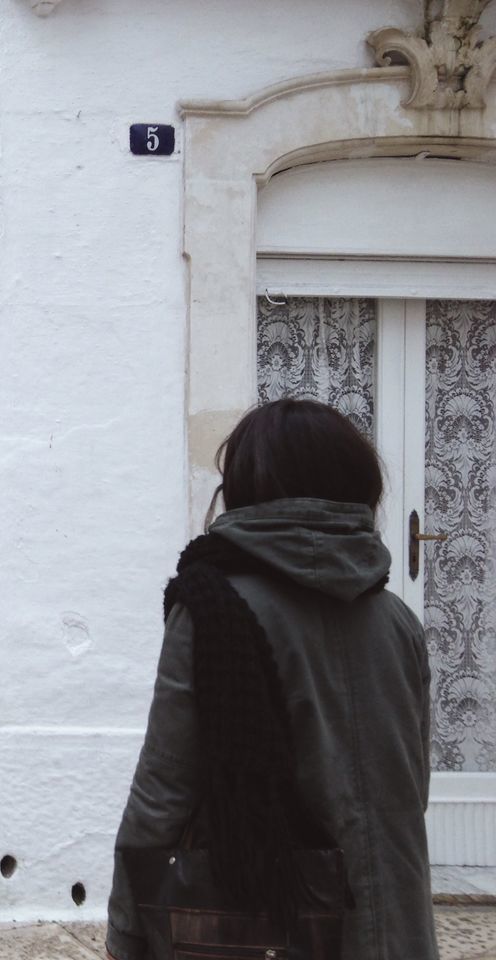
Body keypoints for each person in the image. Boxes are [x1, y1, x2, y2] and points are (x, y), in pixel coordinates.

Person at [105, 398, 437, 960]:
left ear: (246, 487)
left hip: (274, 932)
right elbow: (412, 787)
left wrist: (124, 933)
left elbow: (162, 795)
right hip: (400, 929)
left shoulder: (211, 608)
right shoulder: (399, 622)